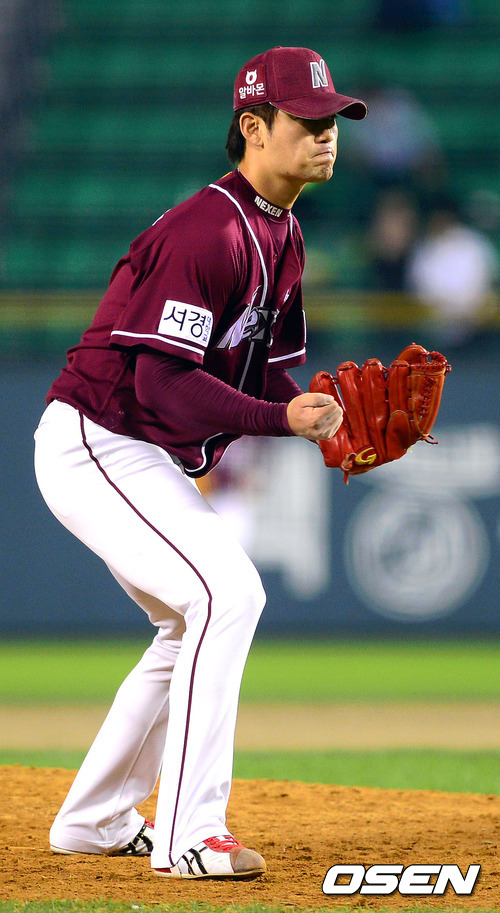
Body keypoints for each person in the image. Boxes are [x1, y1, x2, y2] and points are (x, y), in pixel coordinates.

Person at [34, 46, 367, 880]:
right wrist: (280, 419)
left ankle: (94, 817)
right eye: (308, 121)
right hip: (98, 437)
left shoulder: (284, 233)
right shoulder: (207, 230)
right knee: (228, 592)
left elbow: (262, 372)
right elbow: (163, 381)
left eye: (332, 120)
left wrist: (322, 420)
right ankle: (190, 832)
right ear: (253, 127)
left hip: (138, 448)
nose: (327, 134)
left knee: (190, 620)